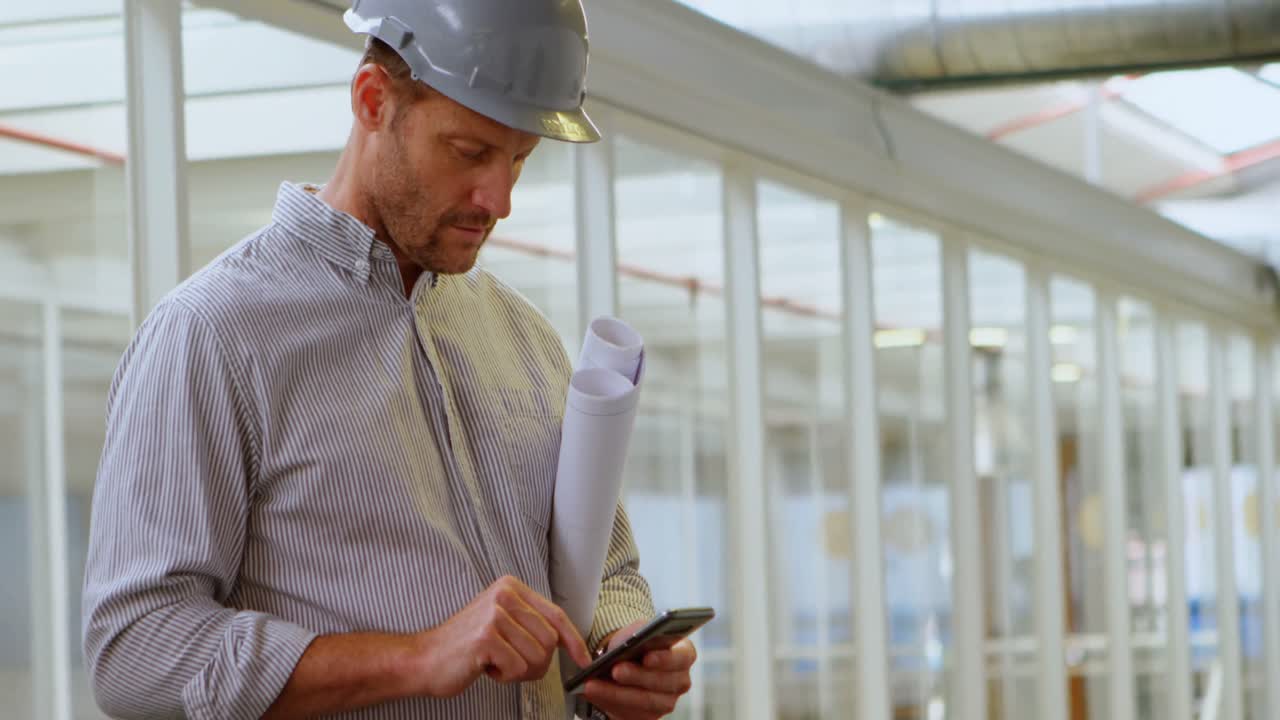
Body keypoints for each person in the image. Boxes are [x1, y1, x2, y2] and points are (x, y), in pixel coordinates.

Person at [80, 1, 696, 718]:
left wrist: (622, 640)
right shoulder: (211, 336)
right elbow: (133, 652)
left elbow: (607, 569)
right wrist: (420, 656)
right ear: (373, 100)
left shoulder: (526, 339)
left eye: (520, 159)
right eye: (469, 152)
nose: (498, 200)